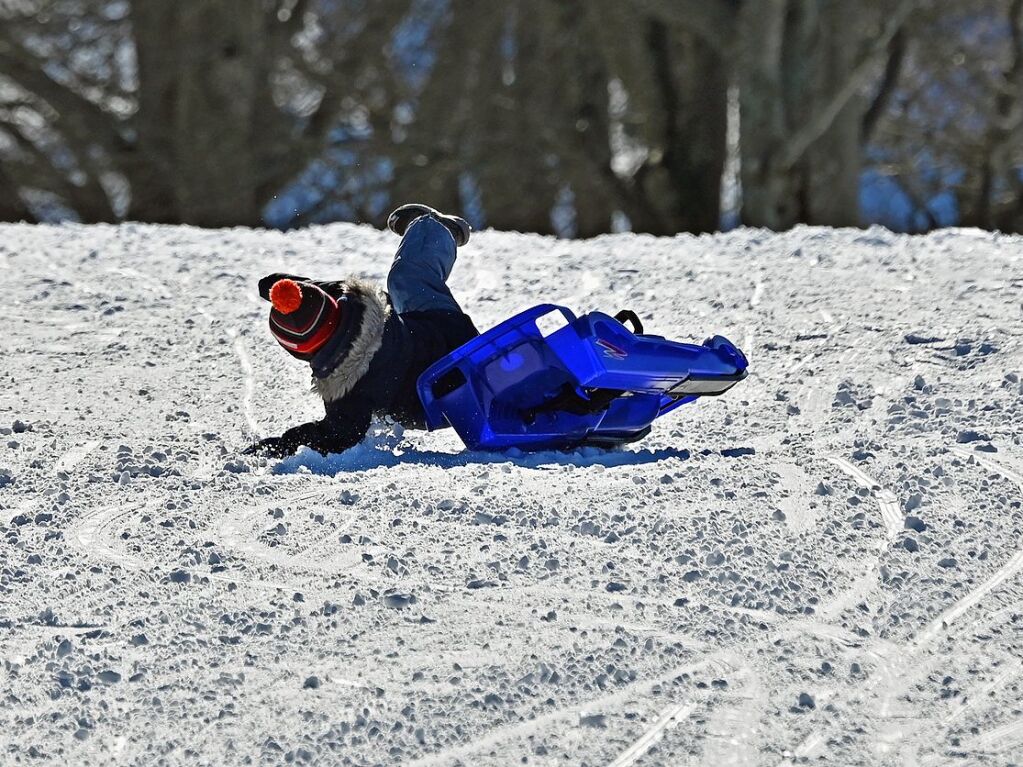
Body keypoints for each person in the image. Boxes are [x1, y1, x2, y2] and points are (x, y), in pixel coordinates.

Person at [243, 204, 478, 458]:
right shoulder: (356, 303)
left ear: (301, 353)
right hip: (449, 332)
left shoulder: (349, 391)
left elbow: (334, 436)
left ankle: (436, 229)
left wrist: (278, 446)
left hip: (445, 398)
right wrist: (278, 286)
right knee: (405, 279)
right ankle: (435, 229)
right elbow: (322, 291)